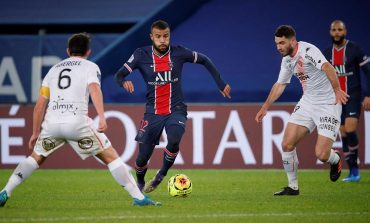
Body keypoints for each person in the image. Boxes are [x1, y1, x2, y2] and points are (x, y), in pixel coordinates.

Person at [0, 33, 160, 207]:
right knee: (111, 157)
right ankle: (139, 197)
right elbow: (94, 89)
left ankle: (6, 191)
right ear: (88, 51)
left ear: (68, 51)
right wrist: (102, 117)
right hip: (77, 123)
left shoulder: (53, 70)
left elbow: (39, 105)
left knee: (35, 157)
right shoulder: (90, 66)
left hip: (52, 123)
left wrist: (35, 132)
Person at [114, 20, 231, 193]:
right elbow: (119, 75)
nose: (162, 40)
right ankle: (140, 181)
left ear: (169, 36)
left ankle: (161, 175)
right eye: (158, 37)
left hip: (176, 109)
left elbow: (204, 60)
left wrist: (220, 83)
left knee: (174, 138)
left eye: (166, 36)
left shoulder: (179, 53)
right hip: (153, 112)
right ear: (151, 37)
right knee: (142, 158)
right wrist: (124, 82)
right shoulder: (140, 54)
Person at [255, 25, 348, 195]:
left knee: (321, 154)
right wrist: (265, 107)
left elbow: (328, 67)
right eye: (276, 44)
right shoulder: (287, 60)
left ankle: (335, 159)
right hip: (308, 102)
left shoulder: (308, 50)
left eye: (282, 43)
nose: (279, 47)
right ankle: (293, 187)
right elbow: (280, 85)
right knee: (287, 143)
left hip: (328, 104)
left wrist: (336, 90)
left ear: (292, 40)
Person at [324, 20, 370, 182]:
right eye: (334, 30)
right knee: (343, 133)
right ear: (330, 32)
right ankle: (352, 171)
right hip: (335, 100)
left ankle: (356, 170)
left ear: (345, 31)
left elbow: (368, 72)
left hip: (353, 96)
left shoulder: (354, 49)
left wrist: (369, 95)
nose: (337, 33)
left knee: (350, 128)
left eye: (339, 30)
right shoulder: (327, 53)